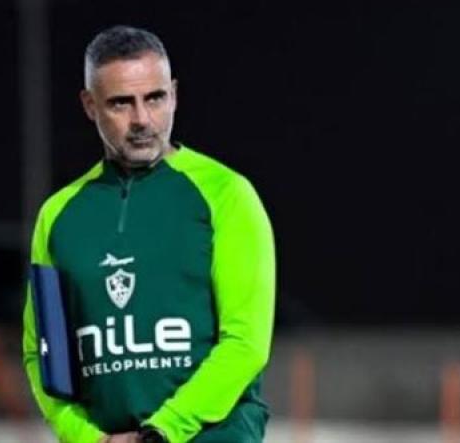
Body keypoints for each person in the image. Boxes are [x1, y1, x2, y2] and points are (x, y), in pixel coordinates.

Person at [22, 25, 275, 443]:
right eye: (121, 103)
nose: (141, 119)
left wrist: (161, 432)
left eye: (154, 98)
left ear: (173, 94)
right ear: (90, 105)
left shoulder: (227, 194)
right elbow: (42, 353)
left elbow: (246, 343)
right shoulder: (58, 216)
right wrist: (89, 439)